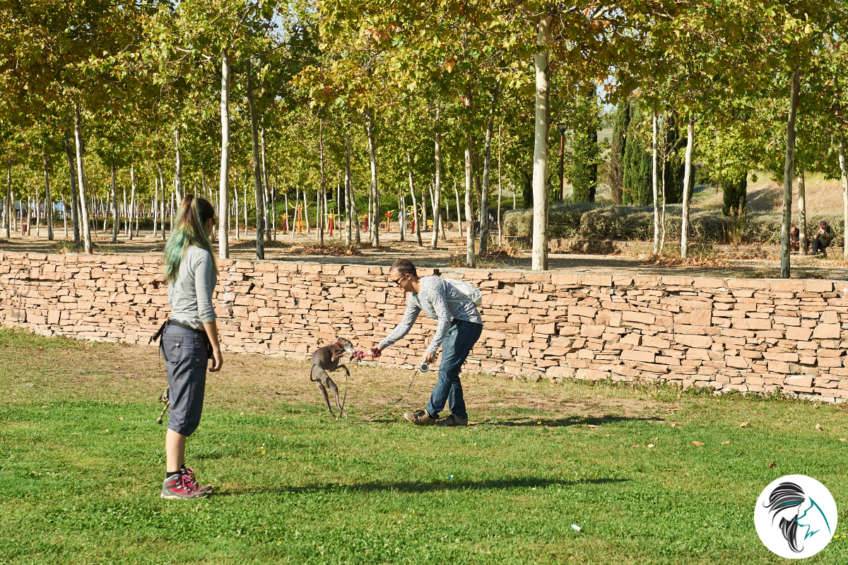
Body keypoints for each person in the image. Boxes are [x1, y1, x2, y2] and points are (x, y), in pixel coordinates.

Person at [157, 195, 223, 499]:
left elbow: (176, 299)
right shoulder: (200, 255)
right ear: (207, 223)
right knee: (183, 414)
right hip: (187, 338)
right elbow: (204, 307)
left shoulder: (177, 252)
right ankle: (173, 480)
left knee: (182, 407)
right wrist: (216, 346)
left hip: (172, 334)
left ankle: (179, 473)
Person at [372, 259, 483, 427]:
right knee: (450, 371)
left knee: (446, 369)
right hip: (453, 325)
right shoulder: (413, 296)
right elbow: (405, 325)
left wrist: (432, 348)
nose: (396, 286)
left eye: (396, 281)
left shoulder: (431, 286)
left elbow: (444, 317)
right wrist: (381, 345)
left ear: (408, 276)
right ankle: (459, 417)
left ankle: (430, 414)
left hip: (468, 323)